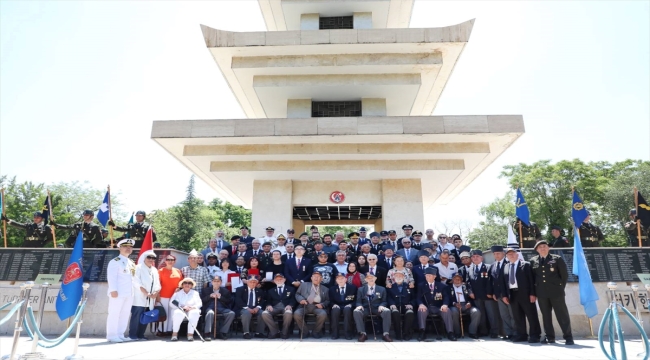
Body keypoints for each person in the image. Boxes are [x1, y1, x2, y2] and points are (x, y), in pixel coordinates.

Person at [529, 240, 574, 345]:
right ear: (537, 250)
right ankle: (550, 337)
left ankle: (568, 337)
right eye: (540, 247)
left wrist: (559, 287)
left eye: (544, 246)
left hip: (556, 292)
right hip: (541, 293)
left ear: (548, 248)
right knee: (546, 316)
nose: (543, 248)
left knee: (562, 315)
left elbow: (564, 276)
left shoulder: (556, 259)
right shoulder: (533, 261)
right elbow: (532, 278)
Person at [504, 247, 541, 343]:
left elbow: (531, 280)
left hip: (525, 294)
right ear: (506, 256)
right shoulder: (506, 266)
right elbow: (504, 282)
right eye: (509, 254)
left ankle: (535, 335)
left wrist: (533, 293)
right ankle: (522, 335)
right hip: (513, 294)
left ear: (517, 254)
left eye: (513, 253)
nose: (511, 255)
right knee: (518, 316)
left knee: (531, 315)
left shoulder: (526, 265)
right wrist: (505, 295)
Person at [106, 239, 136, 343]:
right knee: (114, 313)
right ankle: (112, 335)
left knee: (125, 314)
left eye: (130, 247)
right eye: (125, 246)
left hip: (129, 293)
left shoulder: (131, 263)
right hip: (118, 293)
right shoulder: (115, 261)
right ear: (120, 248)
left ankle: (120, 334)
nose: (128, 248)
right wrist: (113, 290)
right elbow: (112, 277)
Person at [416, 267, 456, 341]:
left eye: (430, 275)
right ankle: (422, 331)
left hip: (438, 306)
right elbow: (418, 297)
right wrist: (421, 304)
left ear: (434, 276)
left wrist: (445, 305)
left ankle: (450, 332)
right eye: (426, 275)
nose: (427, 277)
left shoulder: (441, 286)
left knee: (447, 311)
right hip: (427, 307)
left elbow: (446, 297)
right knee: (421, 310)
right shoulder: (421, 285)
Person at [130, 250, 161, 340]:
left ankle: (141, 335)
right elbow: (136, 282)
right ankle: (133, 335)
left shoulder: (154, 270)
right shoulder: (138, 268)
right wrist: (146, 293)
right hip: (140, 297)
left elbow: (157, 283)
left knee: (146, 316)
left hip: (151, 298)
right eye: (149, 257)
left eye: (153, 258)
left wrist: (155, 293)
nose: (151, 260)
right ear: (144, 258)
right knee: (136, 317)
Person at [467, 249, 499, 338]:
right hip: (476, 296)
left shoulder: (488, 267)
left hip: (487, 296)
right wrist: (470, 292)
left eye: (477, 256)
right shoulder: (470, 269)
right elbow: (468, 282)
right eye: (473, 257)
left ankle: (494, 331)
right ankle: (483, 331)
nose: (475, 258)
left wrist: (489, 292)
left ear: (481, 258)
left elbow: (491, 281)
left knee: (492, 314)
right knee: (481, 315)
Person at [352, 272, 392, 342]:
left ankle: (386, 334)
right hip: (365, 308)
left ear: (375, 278)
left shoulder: (382, 289)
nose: (370, 279)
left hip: (377, 308)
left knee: (387, 311)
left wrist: (382, 305)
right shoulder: (361, 289)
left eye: (372, 277)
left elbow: (384, 301)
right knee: (356, 311)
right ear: (366, 279)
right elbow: (358, 301)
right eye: (368, 278)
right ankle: (362, 333)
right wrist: (359, 305)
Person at [488, 245, 516, 340]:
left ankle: (516, 332)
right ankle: (509, 333)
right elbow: (492, 281)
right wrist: (494, 293)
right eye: (495, 254)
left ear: (503, 254)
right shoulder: (493, 265)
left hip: (509, 294)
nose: (497, 255)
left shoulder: (508, 263)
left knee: (513, 314)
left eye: (498, 253)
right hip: (498, 295)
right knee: (504, 315)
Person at [294, 271, 330, 338]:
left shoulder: (326, 289)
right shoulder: (304, 285)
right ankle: (305, 332)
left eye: (318, 277)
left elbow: (327, 300)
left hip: (317, 306)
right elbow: (297, 294)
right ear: (311, 278)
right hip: (305, 305)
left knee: (323, 314)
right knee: (297, 314)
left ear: (321, 279)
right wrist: (301, 299)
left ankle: (316, 332)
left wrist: (322, 304)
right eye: (314, 277)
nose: (316, 278)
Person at [261, 273, 296, 339]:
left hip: (286, 307)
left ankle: (284, 333)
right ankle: (275, 332)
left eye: (281, 279)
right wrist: (268, 305)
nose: (279, 281)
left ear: (284, 280)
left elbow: (293, 299)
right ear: (274, 281)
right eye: (277, 279)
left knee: (288, 313)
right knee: (264, 313)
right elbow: (268, 300)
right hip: (275, 307)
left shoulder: (291, 289)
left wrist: (290, 305)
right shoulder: (270, 290)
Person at [156, 254, 183, 337]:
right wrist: (158, 296)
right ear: (165, 261)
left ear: (174, 261)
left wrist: (179, 287)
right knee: (164, 314)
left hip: (174, 296)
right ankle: (161, 330)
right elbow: (157, 284)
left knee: (172, 314)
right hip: (163, 296)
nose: (170, 261)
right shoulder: (160, 271)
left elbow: (181, 283)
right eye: (168, 259)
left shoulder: (178, 271)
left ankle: (170, 330)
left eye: (172, 260)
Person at [202, 277, 235, 341]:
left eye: (218, 281)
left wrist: (220, 297)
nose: (216, 283)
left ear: (221, 283)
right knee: (210, 313)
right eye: (215, 281)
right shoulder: (206, 290)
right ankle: (207, 333)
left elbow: (229, 301)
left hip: (221, 307)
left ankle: (223, 332)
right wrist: (210, 296)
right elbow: (202, 300)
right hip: (210, 307)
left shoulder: (225, 291)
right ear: (212, 282)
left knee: (231, 313)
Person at [449, 273, 481, 339]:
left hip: (466, 305)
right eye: (455, 279)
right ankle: (457, 332)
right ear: (452, 280)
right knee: (453, 312)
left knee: (476, 312)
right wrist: (454, 304)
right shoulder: (448, 288)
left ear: (462, 280)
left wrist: (469, 303)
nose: (457, 280)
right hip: (455, 305)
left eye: (459, 279)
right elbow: (447, 299)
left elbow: (471, 298)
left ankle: (472, 332)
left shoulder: (466, 287)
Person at [387, 271, 415, 341]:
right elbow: (388, 297)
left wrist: (411, 304)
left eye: (400, 276)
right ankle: (398, 333)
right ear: (394, 278)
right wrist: (391, 304)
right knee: (395, 312)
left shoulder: (409, 286)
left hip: (406, 306)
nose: (398, 277)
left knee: (410, 313)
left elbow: (414, 298)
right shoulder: (390, 287)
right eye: (396, 276)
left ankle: (406, 333)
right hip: (395, 306)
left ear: (404, 277)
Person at [235, 275, 266, 339]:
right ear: (247, 282)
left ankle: (259, 332)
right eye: (251, 282)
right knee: (246, 313)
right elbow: (238, 300)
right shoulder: (240, 289)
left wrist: (257, 307)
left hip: (255, 308)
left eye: (254, 282)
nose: (252, 283)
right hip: (243, 308)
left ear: (257, 283)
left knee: (263, 313)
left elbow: (262, 300)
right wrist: (247, 308)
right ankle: (246, 332)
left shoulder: (259, 291)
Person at [329, 273, 357, 340]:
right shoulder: (332, 289)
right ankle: (335, 334)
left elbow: (356, 299)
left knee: (347, 310)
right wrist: (333, 305)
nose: (340, 280)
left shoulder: (353, 288)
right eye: (338, 278)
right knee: (335, 310)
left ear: (346, 279)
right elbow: (330, 300)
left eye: (342, 278)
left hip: (348, 305)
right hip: (337, 306)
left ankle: (348, 334)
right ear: (336, 280)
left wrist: (351, 305)